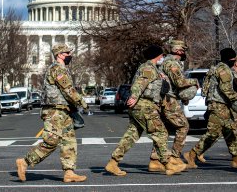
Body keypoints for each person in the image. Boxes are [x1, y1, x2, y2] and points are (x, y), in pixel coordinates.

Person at [104, 45, 186, 176]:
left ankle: (113, 163)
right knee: (161, 133)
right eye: (161, 55)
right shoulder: (148, 68)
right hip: (145, 105)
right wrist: (134, 97)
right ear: (157, 56)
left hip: (142, 106)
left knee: (132, 135)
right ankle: (168, 164)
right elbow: (139, 84)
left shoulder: (151, 68)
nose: (163, 58)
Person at [16, 43, 89, 183]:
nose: (70, 56)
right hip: (54, 111)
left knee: (69, 142)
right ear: (60, 54)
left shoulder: (62, 69)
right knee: (52, 141)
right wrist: (82, 103)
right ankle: (24, 162)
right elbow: (68, 90)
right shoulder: (57, 69)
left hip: (64, 111)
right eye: (67, 53)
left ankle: (69, 172)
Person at [183, 48, 237, 169]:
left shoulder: (221, 68)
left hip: (223, 105)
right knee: (213, 134)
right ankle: (192, 154)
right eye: (233, 59)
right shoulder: (223, 69)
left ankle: (236, 159)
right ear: (229, 59)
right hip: (218, 106)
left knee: (230, 132)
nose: (234, 61)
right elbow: (226, 89)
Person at [148, 40, 198, 170]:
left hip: (164, 99)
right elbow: (180, 82)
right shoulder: (171, 63)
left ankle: (155, 160)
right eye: (183, 50)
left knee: (163, 129)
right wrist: (194, 81)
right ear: (178, 51)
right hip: (169, 100)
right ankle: (175, 157)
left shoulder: (166, 62)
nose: (184, 53)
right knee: (183, 126)